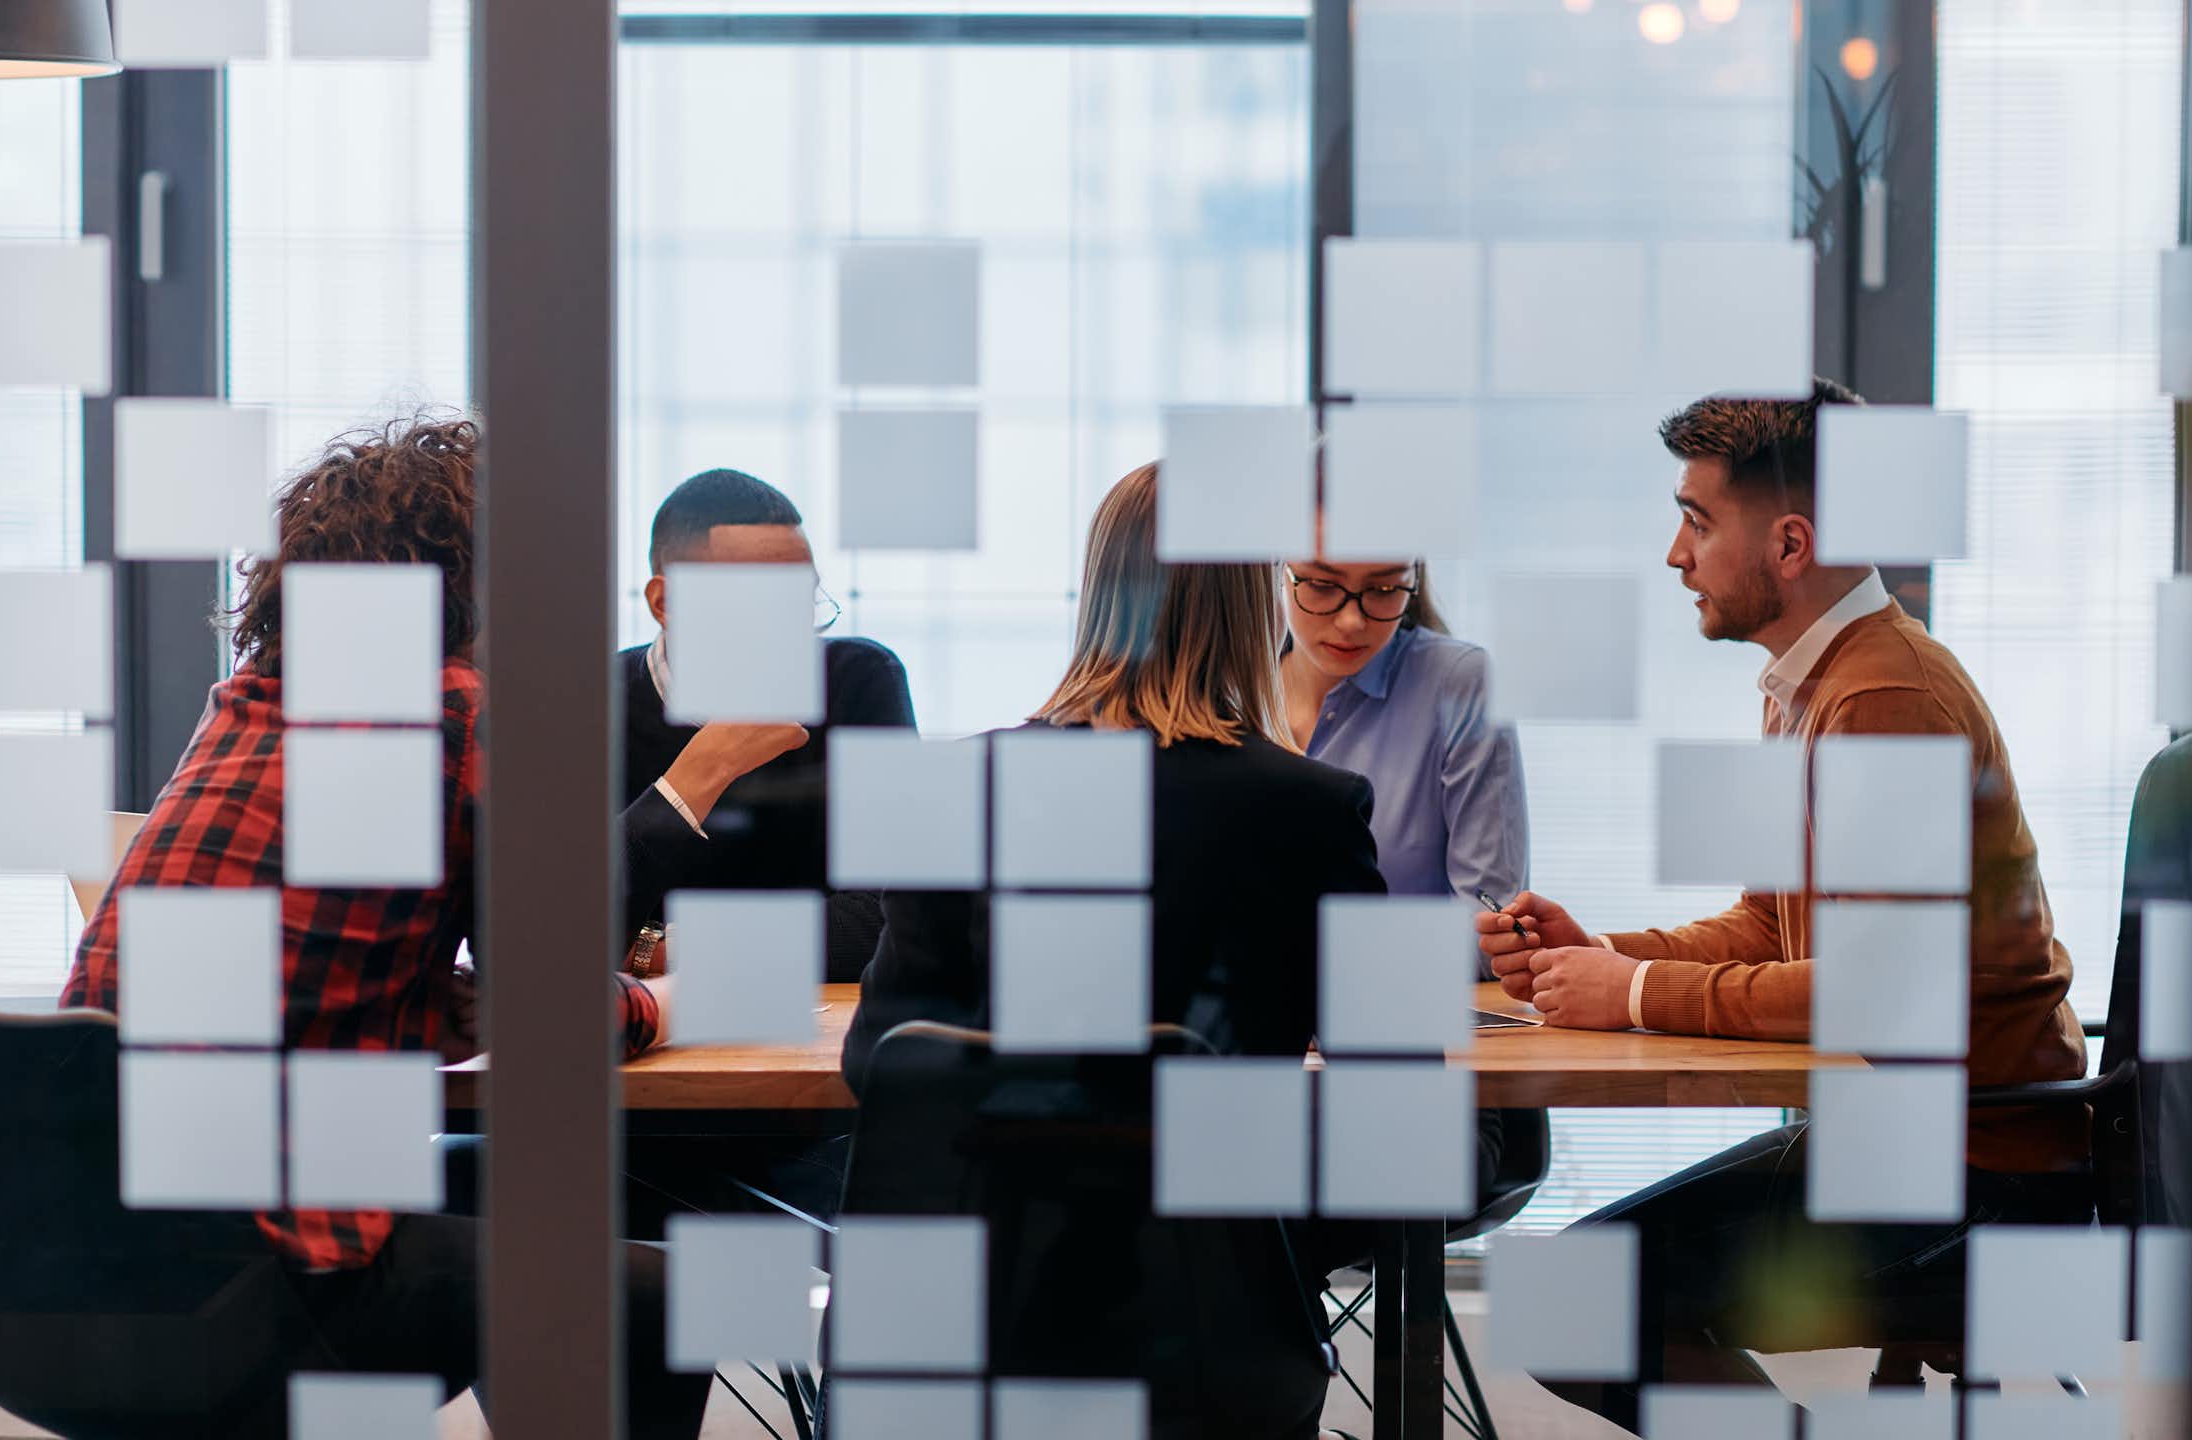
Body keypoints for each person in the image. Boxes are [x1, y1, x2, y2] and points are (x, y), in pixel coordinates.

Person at [61, 417, 711, 1438]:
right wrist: (668, 1004)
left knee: (479, 1178)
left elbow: (306, 953)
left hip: (64, 1263)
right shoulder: (459, 714)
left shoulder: (245, 704)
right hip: (249, 1279)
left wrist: (420, 1007)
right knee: (656, 1300)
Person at [1473, 382, 2091, 1425]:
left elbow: (1879, 996)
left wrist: (1631, 992)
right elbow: (1770, 925)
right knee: (1566, 1298)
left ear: (1791, 543)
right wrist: (1603, 954)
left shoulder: (1883, 699)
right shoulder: (1810, 683)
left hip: (1976, 1170)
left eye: (1697, 521)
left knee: (1566, 1303)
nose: (1676, 554)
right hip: (1907, 1142)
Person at [841, 460, 1388, 1437]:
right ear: (1249, 608)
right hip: (1210, 1330)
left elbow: (875, 1064)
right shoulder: (1309, 810)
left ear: (1096, 598)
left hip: (957, 1332)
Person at [620, 467, 917, 983]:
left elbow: (893, 918)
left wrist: (665, 948)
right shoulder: (588, 703)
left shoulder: (855, 681)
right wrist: (696, 775)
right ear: (665, 603)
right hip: (637, 1044)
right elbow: (553, 931)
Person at [1280, 543, 1528, 972]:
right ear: (1275, 567)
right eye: (1322, 586)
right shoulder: (1219, 684)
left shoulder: (1458, 684)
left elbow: (1492, 923)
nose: (1352, 621)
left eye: (1383, 589)